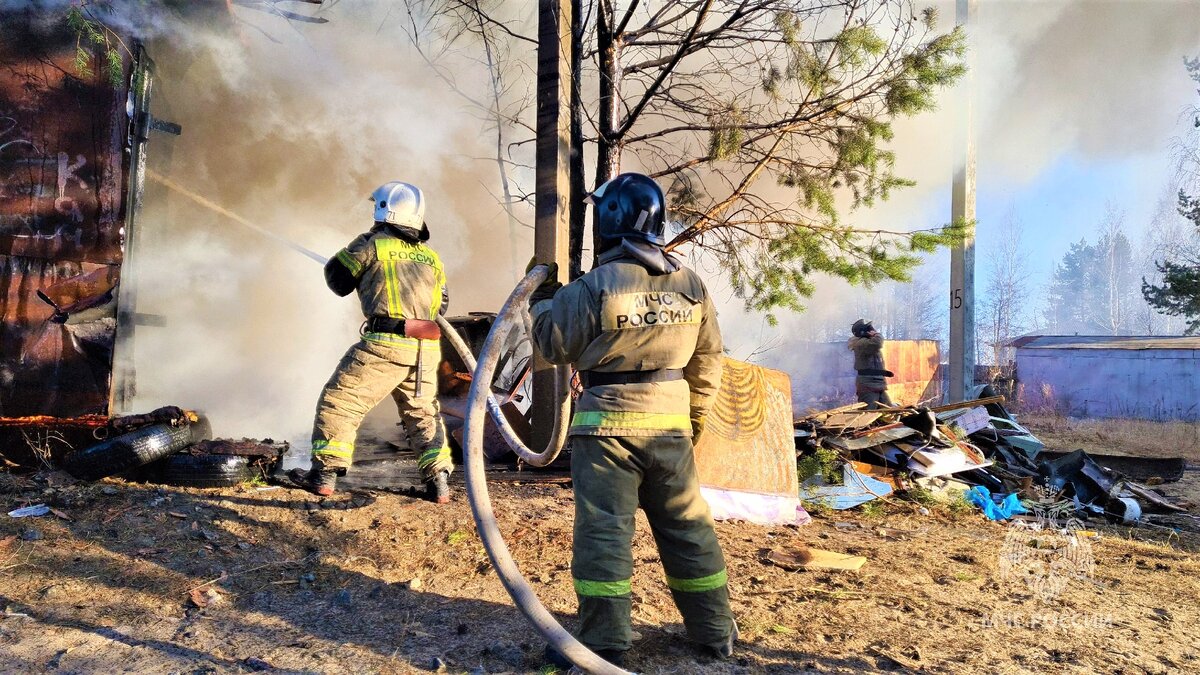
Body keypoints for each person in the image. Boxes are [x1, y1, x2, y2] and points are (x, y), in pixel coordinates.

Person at [528, 173, 737, 667]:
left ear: (609, 222)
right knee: (689, 528)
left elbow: (551, 344)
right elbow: (708, 359)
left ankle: (604, 643)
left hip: (606, 431)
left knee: (604, 532)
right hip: (670, 426)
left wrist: (543, 297)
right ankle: (713, 633)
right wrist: (696, 415)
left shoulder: (594, 286)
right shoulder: (691, 284)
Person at [287, 181, 453, 501]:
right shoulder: (432, 258)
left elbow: (337, 281)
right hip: (426, 348)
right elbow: (442, 306)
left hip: (386, 346)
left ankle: (324, 475)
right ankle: (439, 483)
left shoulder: (371, 244)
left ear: (383, 209)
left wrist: (356, 264)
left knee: (342, 400)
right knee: (422, 414)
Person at [848, 318, 894, 409]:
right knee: (869, 412)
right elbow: (878, 343)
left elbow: (872, 364)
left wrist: (883, 372)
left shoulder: (867, 343)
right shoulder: (861, 343)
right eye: (870, 329)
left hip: (877, 382)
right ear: (863, 332)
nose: (873, 331)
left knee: (887, 410)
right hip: (868, 384)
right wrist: (877, 335)